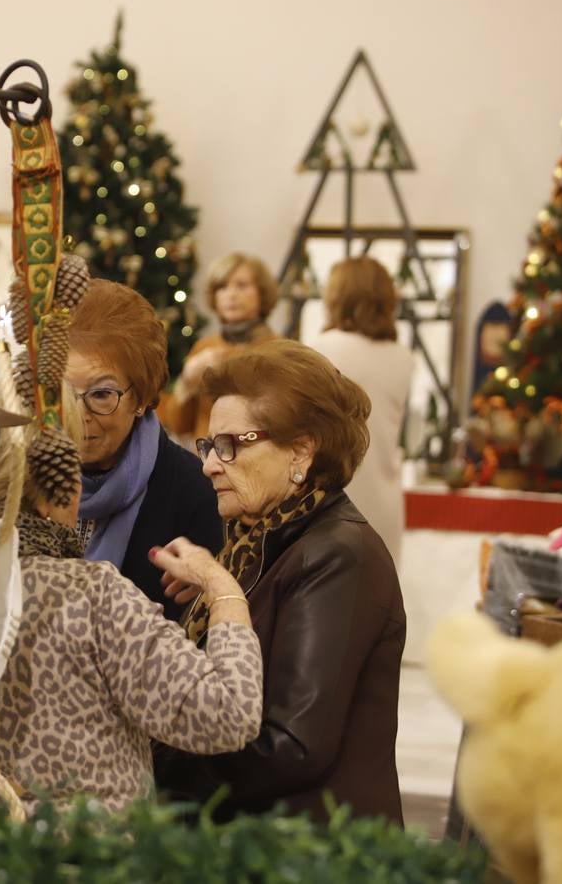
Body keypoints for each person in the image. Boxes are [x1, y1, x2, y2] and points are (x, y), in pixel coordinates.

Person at [0, 383, 264, 813]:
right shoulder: (95, 598)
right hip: (88, 857)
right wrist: (224, 591)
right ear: (59, 487)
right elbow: (227, 715)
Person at [152, 339, 406, 824]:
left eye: (229, 445)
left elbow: (290, 747)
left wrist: (156, 766)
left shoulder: (336, 556)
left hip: (314, 853)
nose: (207, 464)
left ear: (301, 452)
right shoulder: (258, 540)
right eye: (208, 445)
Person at [67, 279, 222, 620]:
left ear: (140, 397)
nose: (79, 417)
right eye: (62, 394)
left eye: (101, 394)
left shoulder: (194, 492)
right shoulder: (25, 480)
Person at [309, 257, 415, 564]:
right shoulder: (403, 357)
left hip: (333, 496)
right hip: (385, 499)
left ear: (339, 297)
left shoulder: (321, 349)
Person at [159, 253, 279, 443]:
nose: (231, 294)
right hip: (207, 461)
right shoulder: (204, 347)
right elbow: (178, 426)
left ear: (262, 293)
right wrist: (187, 382)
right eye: (222, 287)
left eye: (241, 285)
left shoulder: (279, 351)